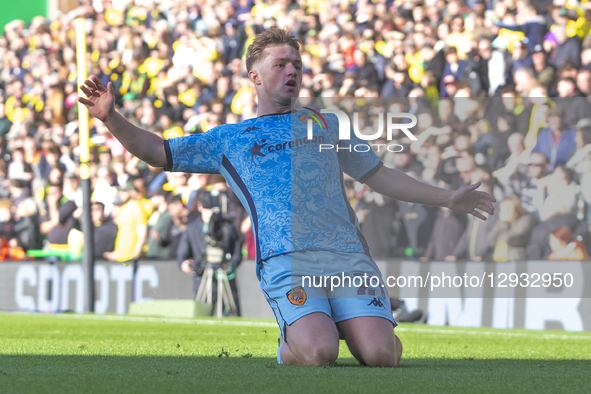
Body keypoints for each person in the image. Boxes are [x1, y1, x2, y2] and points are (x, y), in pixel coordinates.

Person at [79, 28, 495, 368]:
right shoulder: (231, 139)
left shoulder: (327, 124)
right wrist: (112, 117)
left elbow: (380, 176)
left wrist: (447, 197)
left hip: (347, 255)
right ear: (255, 76)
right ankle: (299, 336)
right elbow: (158, 152)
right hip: (286, 260)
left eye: (296, 64)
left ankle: (360, 324)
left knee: (382, 357)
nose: (292, 71)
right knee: (319, 354)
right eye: (280, 64)